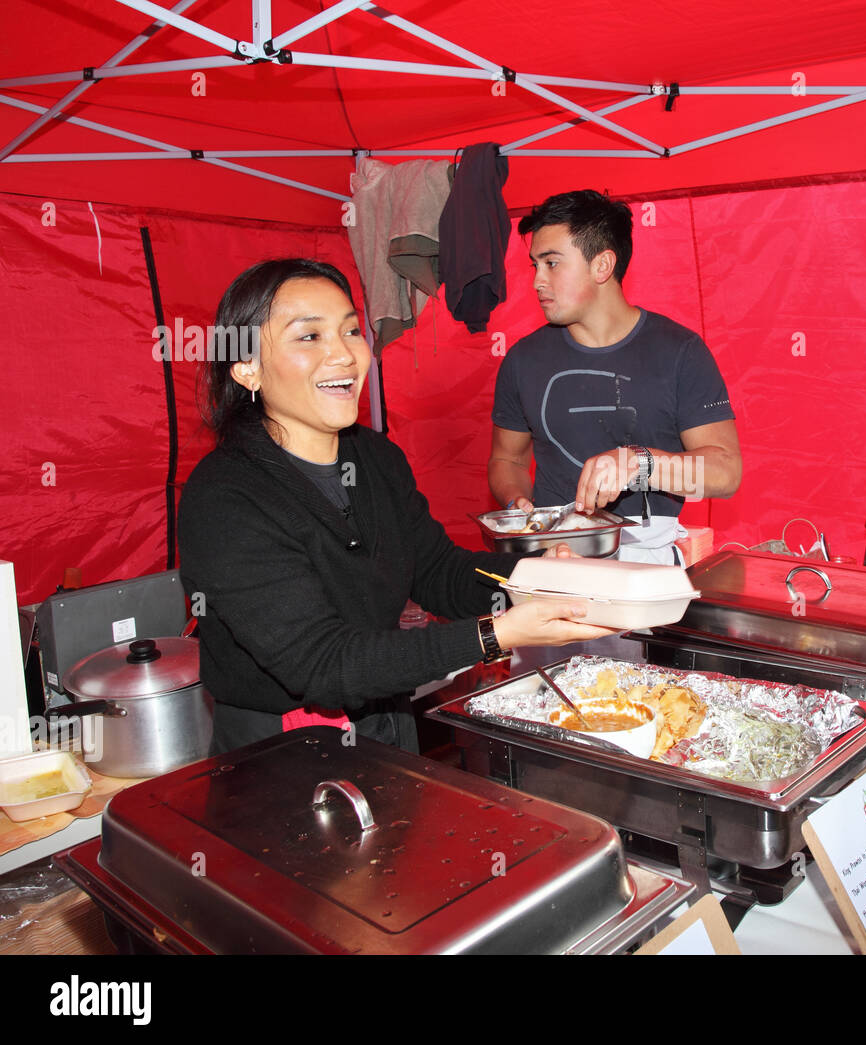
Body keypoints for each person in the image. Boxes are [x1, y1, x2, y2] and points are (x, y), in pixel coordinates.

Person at [178, 259, 615, 755]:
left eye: (349, 331)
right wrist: (496, 634)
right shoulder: (225, 498)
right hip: (281, 755)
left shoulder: (375, 458)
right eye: (309, 337)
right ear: (247, 367)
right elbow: (323, 665)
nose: (343, 355)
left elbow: (436, 571)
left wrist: (534, 575)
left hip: (385, 723)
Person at [489, 190, 741, 564]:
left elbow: (725, 474)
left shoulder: (679, 351)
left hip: (646, 564)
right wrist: (517, 505)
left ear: (602, 265)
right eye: (534, 265)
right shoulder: (522, 360)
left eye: (552, 263)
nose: (537, 281)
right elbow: (507, 461)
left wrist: (641, 465)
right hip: (555, 558)